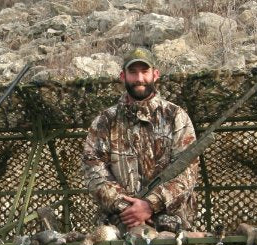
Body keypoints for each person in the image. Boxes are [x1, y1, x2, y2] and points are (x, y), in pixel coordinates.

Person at [81, 47, 199, 232]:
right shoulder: (104, 121)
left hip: (172, 225)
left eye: (145, 72)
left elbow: (187, 173)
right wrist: (128, 209)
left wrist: (150, 206)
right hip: (120, 223)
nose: (139, 79)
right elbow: (94, 171)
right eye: (133, 72)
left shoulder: (176, 116)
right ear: (123, 76)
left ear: (155, 74)